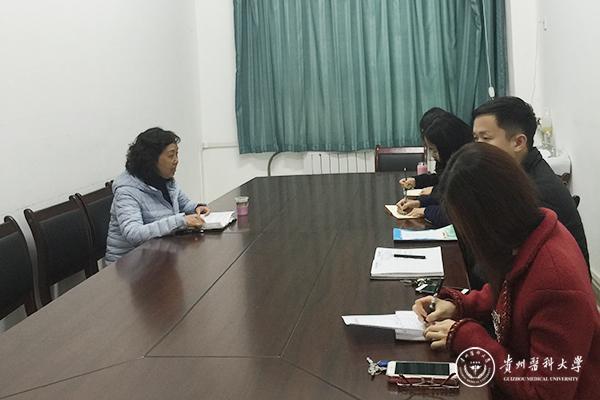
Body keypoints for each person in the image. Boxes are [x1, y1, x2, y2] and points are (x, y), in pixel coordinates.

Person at [413, 143, 599, 399]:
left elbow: (543, 392)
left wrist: (469, 338)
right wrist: (460, 305)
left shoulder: (555, 285)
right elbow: (510, 288)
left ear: (488, 219)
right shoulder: (529, 232)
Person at [472, 96, 590, 272]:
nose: (477, 148)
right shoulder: (514, 173)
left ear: (518, 142)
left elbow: (509, 263)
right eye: (476, 139)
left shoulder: (537, 194)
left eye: (486, 138)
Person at [105, 127, 209, 262]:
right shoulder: (126, 191)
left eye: (177, 154)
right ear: (151, 159)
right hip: (128, 265)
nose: (176, 160)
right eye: (171, 155)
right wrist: (181, 221)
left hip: (158, 256)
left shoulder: (166, 181)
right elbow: (133, 234)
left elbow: (184, 204)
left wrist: (196, 207)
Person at [396, 111, 473, 226]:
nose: (433, 155)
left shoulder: (468, 167)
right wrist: (419, 202)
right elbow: (446, 192)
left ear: (448, 146)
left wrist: (425, 210)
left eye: (435, 150)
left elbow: (458, 214)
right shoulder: (452, 161)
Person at [399, 107, 449, 191]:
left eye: (434, 150)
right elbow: (440, 178)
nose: (433, 155)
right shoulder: (444, 155)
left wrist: (434, 191)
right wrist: (416, 181)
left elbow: (452, 186)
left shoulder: (460, 157)